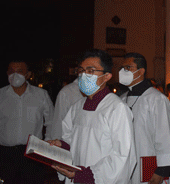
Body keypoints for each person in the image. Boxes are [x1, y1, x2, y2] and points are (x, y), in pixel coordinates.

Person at [48, 49, 136, 184]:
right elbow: (72, 139)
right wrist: (61, 145)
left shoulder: (117, 108)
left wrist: (86, 175)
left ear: (107, 76)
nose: (84, 75)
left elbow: (123, 155)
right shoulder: (77, 107)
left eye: (90, 71)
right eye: (81, 70)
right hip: (76, 176)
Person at [119, 52, 170, 184]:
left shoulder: (157, 99)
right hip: (126, 163)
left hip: (149, 164)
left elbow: (166, 136)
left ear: (141, 72)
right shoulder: (122, 99)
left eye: (128, 68)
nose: (123, 71)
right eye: (122, 68)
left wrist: (162, 170)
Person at [0, 59, 54, 184]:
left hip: (33, 153)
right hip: (5, 154)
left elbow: (51, 121)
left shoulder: (41, 95)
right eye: (11, 71)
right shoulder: (1, 95)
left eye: (19, 71)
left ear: (28, 74)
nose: (15, 75)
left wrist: (47, 145)